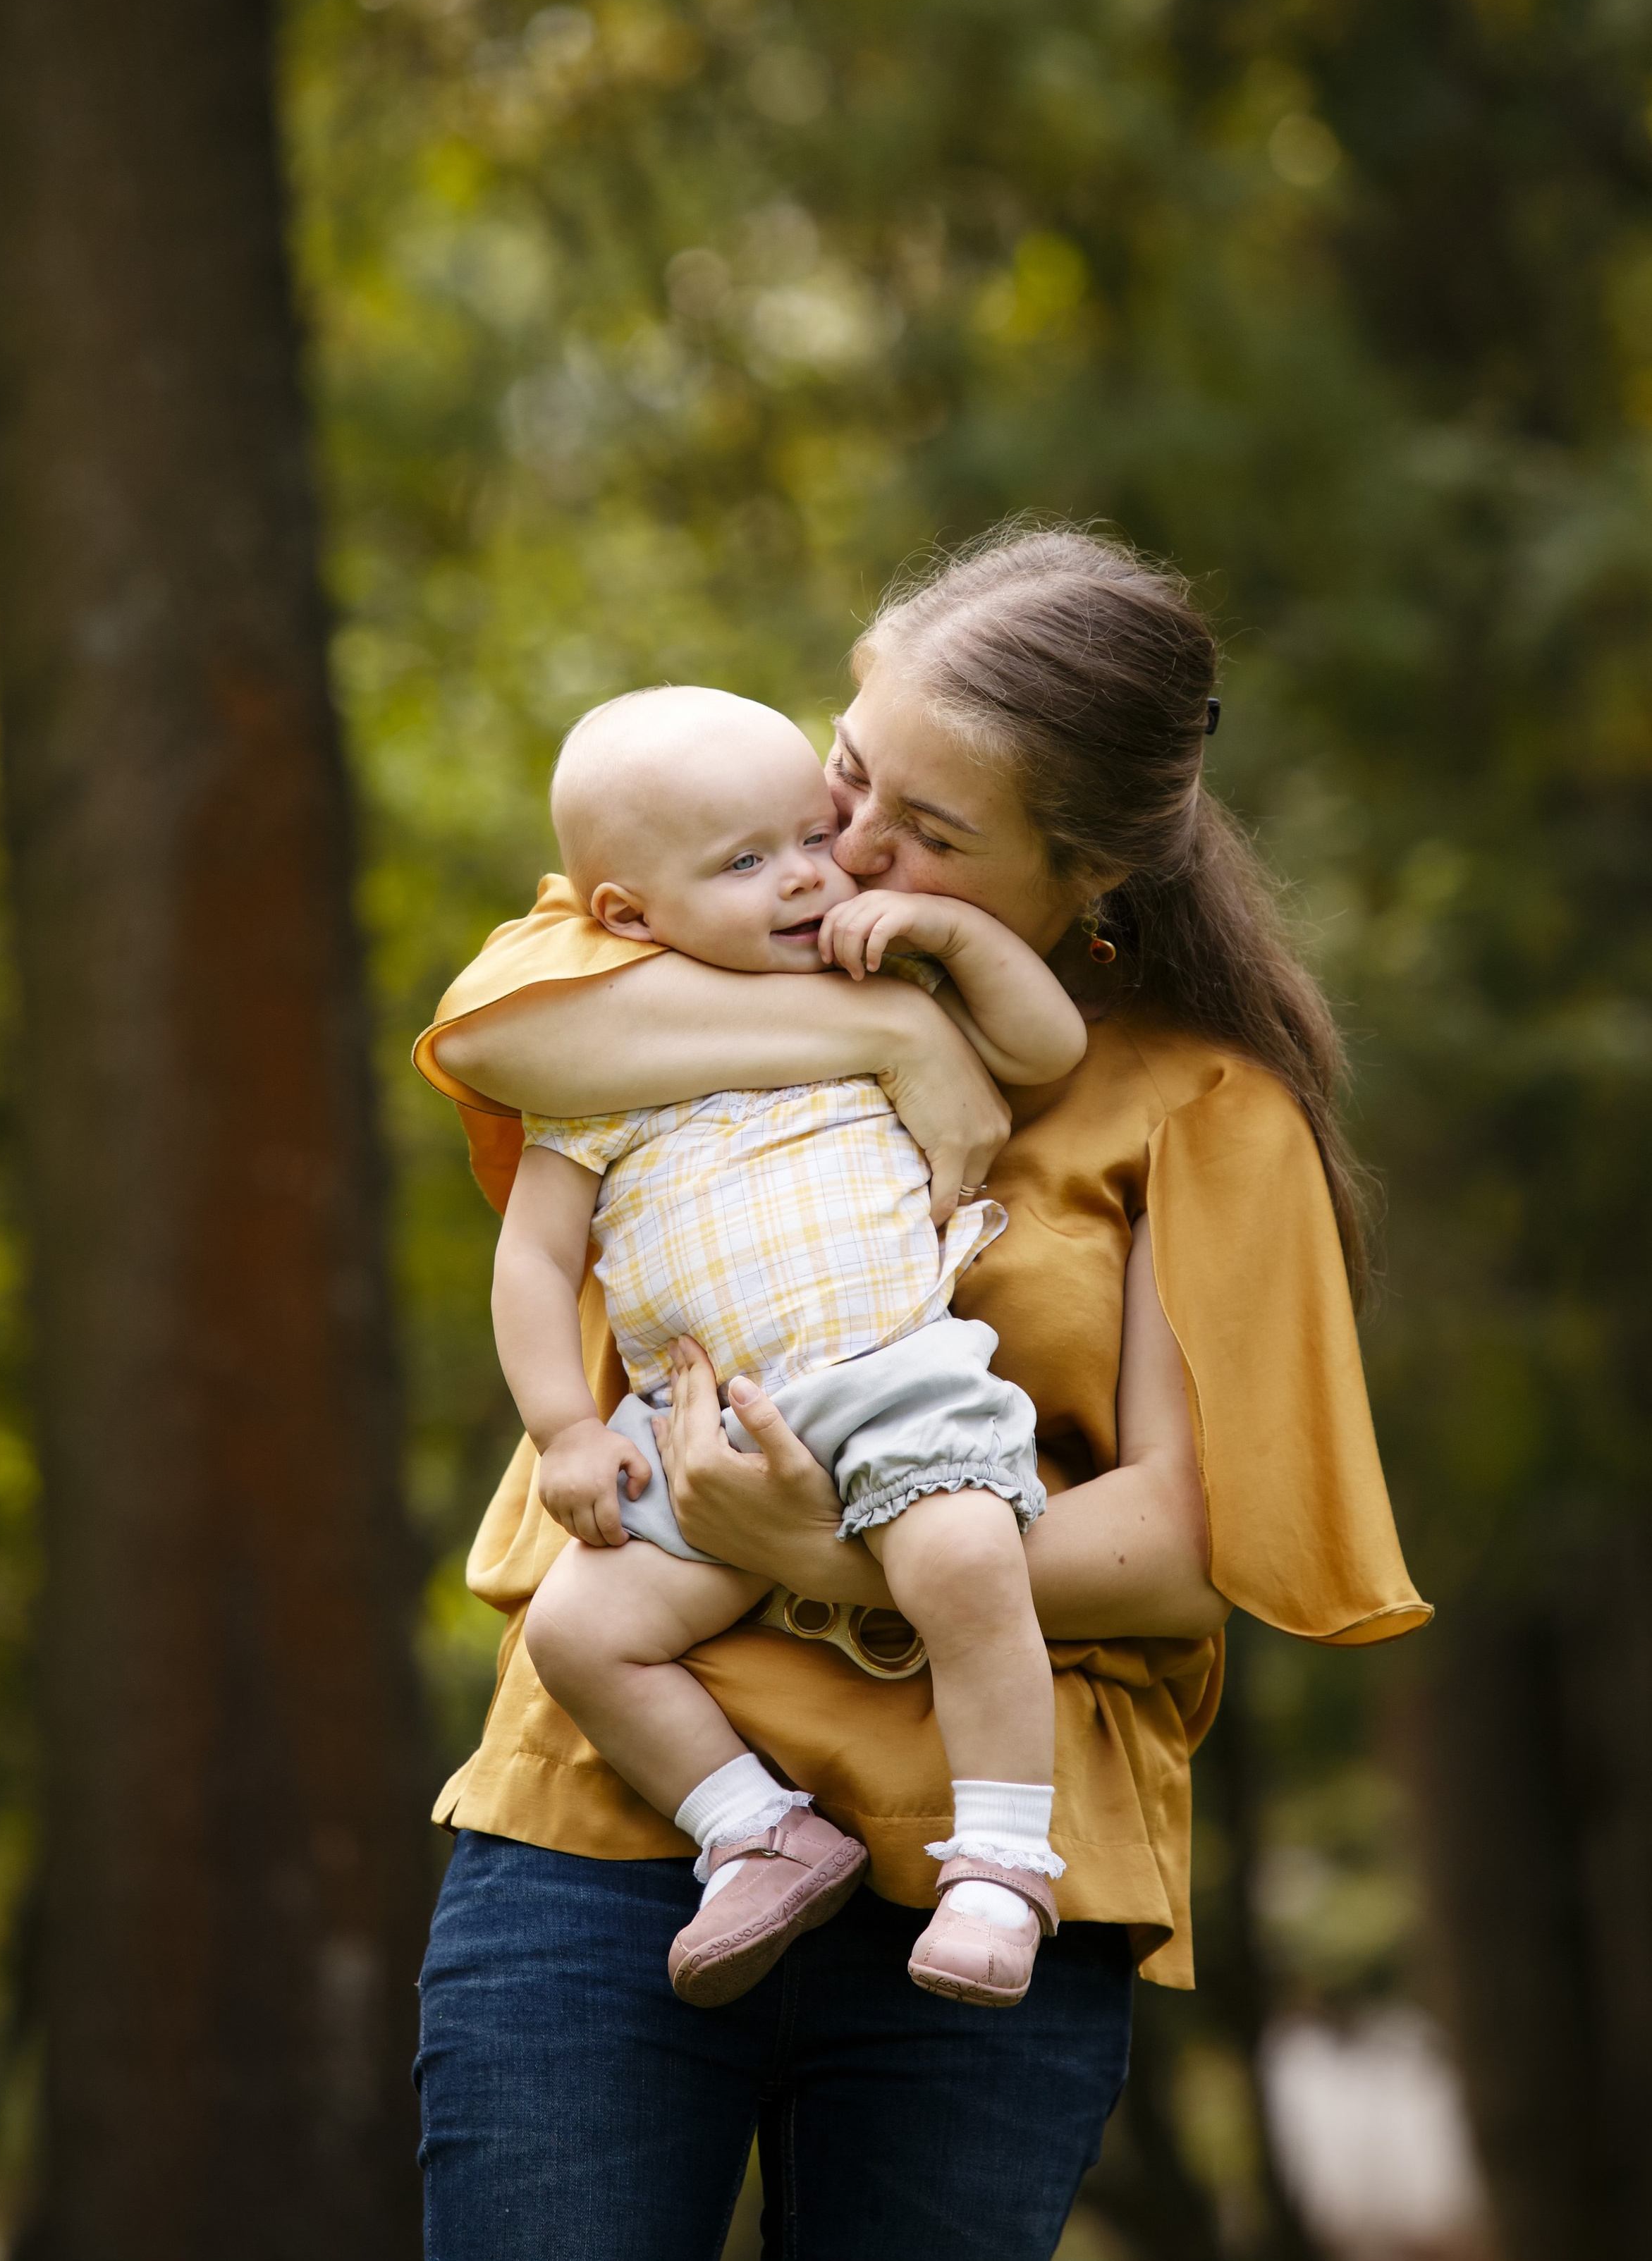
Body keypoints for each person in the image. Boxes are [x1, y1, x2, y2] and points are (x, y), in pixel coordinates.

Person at [412, 525, 1430, 2261]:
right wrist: (888, 1034)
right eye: (850, 770)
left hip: (988, 1871)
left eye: (931, 833)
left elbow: (1185, 1541)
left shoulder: (1201, 1105)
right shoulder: (682, 920)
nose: (848, 847)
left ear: (1088, 871)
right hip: (612, 1824)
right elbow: (497, 1041)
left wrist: (820, 1549)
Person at [499, 685, 1089, 2011]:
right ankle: (752, 1831)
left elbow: (1046, 1044)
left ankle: (1001, 1861)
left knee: (966, 1558)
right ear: (628, 916)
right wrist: (566, 1430)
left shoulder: (868, 968)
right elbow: (531, 1261)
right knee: (576, 1631)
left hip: (894, 1380)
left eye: (812, 836)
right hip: (698, 1423)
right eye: (746, 863)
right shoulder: (600, 1054)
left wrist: (945, 939)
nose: (811, 875)